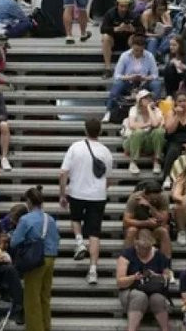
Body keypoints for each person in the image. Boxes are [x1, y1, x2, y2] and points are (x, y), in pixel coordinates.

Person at [58, 117, 113, 284]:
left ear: (85, 130)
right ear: (100, 131)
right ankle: (93, 270)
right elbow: (108, 179)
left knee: (75, 219)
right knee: (95, 233)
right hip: (97, 195)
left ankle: (80, 242)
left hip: (77, 192)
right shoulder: (106, 151)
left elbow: (63, 173)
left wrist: (62, 193)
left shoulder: (75, 147)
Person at [10, 186, 60, 331]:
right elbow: (56, 239)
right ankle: (46, 327)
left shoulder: (25, 219)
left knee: (32, 299)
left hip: (34, 260)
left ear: (29, 201)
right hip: (50, 259)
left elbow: (15, 242)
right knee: (45, 297)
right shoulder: (49, 218)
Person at [116, 229, 172, 331]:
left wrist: (156, 276)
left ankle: (165, 328)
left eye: (148, 248)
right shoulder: (126, 255)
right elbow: (120, 282)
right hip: (131, 292)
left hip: (154, 291)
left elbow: (167, 277)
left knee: (158, 298)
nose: (145, 251)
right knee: (140, 296)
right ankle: (131, 329)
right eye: (142, 248)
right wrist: (134, 277)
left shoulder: (159, 255)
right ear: (136, 244)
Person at [102, 34, 159, 123]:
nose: (138, 53)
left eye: (141, 51)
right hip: (128, 82)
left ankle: (154, 109)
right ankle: (109, 111)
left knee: (156, 84)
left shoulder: (149, 56)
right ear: (132, 46)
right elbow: (117, 75)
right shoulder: (125, 56)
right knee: (118, 83)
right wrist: (129, 77)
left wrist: (145, 78)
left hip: (143, 83)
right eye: (136, 50)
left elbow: (155, 75)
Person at [100, 0, 146, 80]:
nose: (123, 9)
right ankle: (108, 68)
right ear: (117, 5)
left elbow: (142, 30)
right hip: (114, 40)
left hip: (128, 41)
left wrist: (134, 30)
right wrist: (115, 29)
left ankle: (132, 67)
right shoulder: (110, 13)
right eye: (121, 6)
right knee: (105, 37)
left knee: (134, 38)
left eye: (125, 7)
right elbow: (102, 29)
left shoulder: (134, 15)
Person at [123, 90, 165, 175]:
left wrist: (149, 109)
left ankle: (156, 161)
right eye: (145, 98)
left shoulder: (156, 110)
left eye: (150, 97)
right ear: (139, 100)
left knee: (159, 131)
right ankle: (133, 162)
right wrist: (147, 124)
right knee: (138, 132)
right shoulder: (133, 109)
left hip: (148, 142)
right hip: (132, 141)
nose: (148, 99)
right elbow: (132, 125)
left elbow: (156, 124)